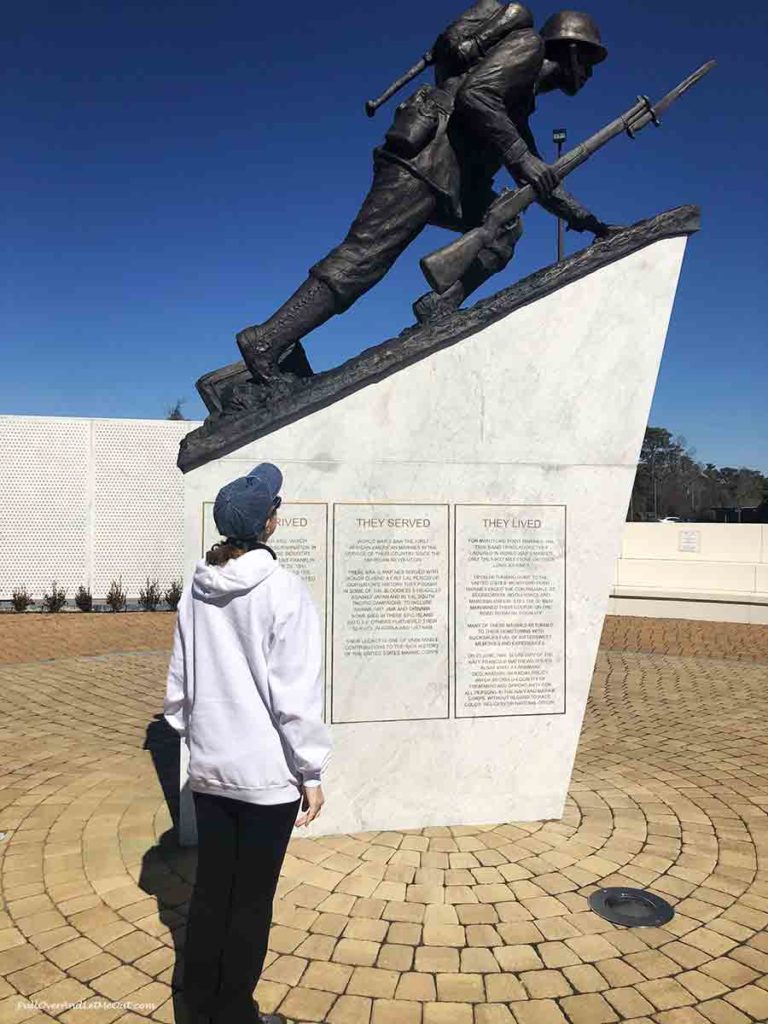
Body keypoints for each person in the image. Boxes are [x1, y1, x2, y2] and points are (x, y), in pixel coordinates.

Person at [235, 6, 621, 387]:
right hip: (421, 165)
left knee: (503, 225)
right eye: (589, 62)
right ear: (570, 52)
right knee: (365, 257)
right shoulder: (529, 46)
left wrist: (590, 223)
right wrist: (520, 156)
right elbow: (476, 95)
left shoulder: (520, 99)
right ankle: (267, 341)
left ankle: (438, 304)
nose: (589, 74)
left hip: (447, 181)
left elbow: (536, 176)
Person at [163, 462, 332, 1024]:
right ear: (270, 524)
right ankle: (235, 1012)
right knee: (251, 900)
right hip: (266, 780)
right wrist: (311, 773)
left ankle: (199, 1000)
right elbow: (297, 698)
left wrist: (201, 742)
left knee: (211, 890)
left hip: (210, 771)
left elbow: (179, 691)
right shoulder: (285, 592)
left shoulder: (197, 588)